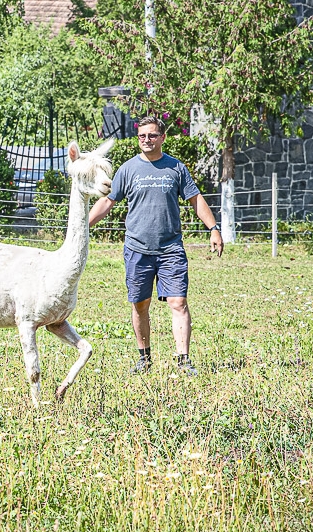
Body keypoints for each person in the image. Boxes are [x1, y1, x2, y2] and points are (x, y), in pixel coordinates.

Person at [88, 116, 223, 375]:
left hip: (170, 248)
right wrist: (82, 227)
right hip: (137, 248)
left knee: (178, 302)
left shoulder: (176, 167)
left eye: (151, 136)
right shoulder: (128, 169)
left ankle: (183, 361)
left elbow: (195, 199)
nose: (146, 140)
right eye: (142, 136)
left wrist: (213, 229)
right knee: (140, 305)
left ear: (162, 137)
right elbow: (108, 202)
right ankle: (144, 358)